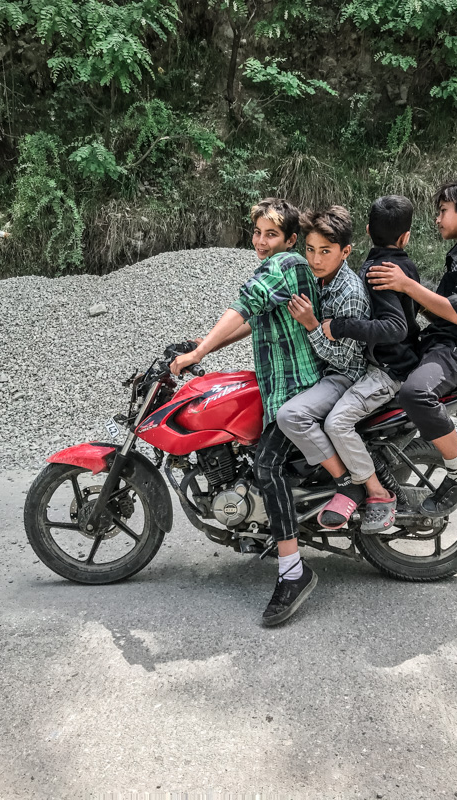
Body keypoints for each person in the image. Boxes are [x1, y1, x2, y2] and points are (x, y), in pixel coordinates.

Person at [170, 197, 323, 626]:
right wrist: (202, 349)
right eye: (256, 233)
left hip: (297, 387)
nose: (260, 241)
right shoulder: (281, 272)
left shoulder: (286, 265)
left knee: (266, 468)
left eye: (270, 233)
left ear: (290, 239)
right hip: (282, 386)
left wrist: (199, 350)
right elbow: (248, 323)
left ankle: (293, 572)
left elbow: (244, 303)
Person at [367, 179, 457, 517]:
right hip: (441, 342)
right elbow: (440, 306)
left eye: (443, 211)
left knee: (416, 393)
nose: (437, 219)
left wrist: (408, 285)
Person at [315, 195, 421, 532]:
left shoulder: (380, 271)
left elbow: (395, 328)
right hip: (386, 364)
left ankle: (374, 493)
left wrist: (341, 326)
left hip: (389, 371)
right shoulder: (399, 263)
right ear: (405, 237)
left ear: (365, 230)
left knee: (337, 423)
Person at [276, 206, 370, 517]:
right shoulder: (317, 278)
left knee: (291, 416)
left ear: (345, 252)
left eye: (325, 251)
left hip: (343, 375)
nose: (315, 259)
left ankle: (345, 481)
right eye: (311, 249)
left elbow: (345, 358)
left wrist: (311, 325)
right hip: (319, 367)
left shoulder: (350, 292)